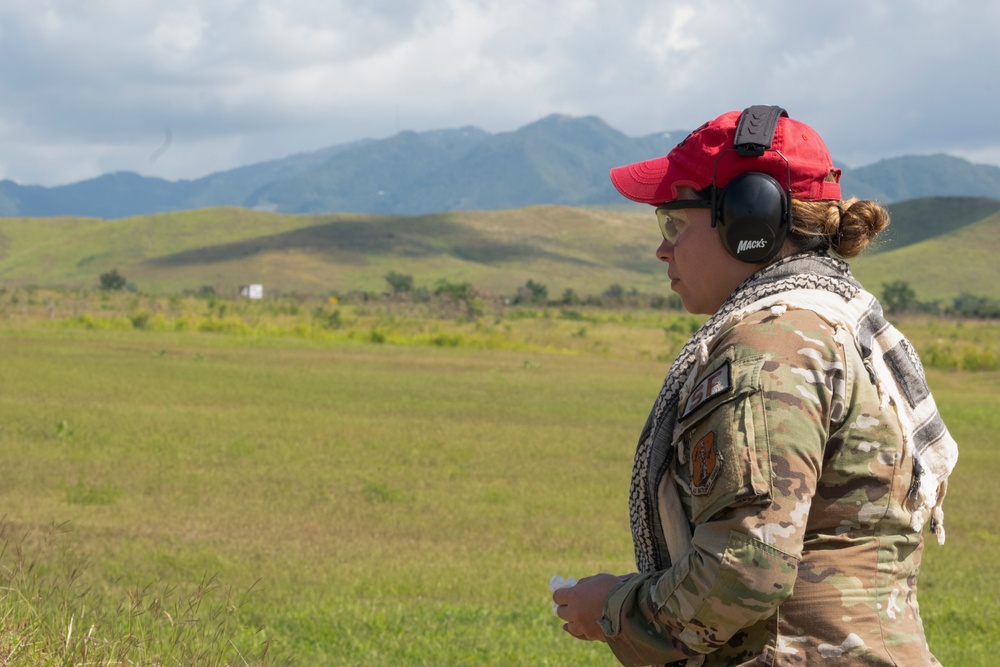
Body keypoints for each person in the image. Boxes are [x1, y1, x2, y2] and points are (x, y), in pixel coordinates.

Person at [552, 106, 958, 666]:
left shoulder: (771, 347)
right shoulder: (839, 320)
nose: (662, 249)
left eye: (675, 223)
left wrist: (614, 608)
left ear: (749, 222)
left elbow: (746, 567)